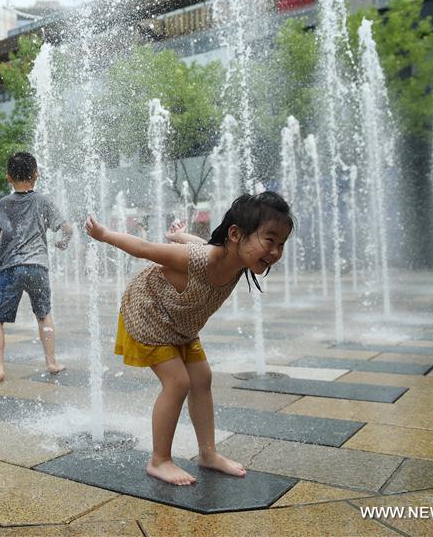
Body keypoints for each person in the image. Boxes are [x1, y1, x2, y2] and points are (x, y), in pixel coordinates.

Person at [85, 192, 293, 486]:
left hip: (181, 323)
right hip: (150, 312)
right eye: (269, 240)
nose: (275, 251)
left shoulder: (237, 260)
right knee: (178, 382)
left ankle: (208, 454)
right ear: (235, 234)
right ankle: (159, 460)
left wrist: (180, 235)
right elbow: (144, 248)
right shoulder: (199, 260)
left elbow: (200, 243)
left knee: (201, 377)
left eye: (281, 243)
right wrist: (104, 234)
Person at [0, 152, 73, 382]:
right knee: (44, 314)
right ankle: (51, 362)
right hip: (37, 265)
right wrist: (62, 243)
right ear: (36, 174)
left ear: (8, 177)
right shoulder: (43, 201)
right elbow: (67, 228)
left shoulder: (4, 203)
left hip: (10, 267)